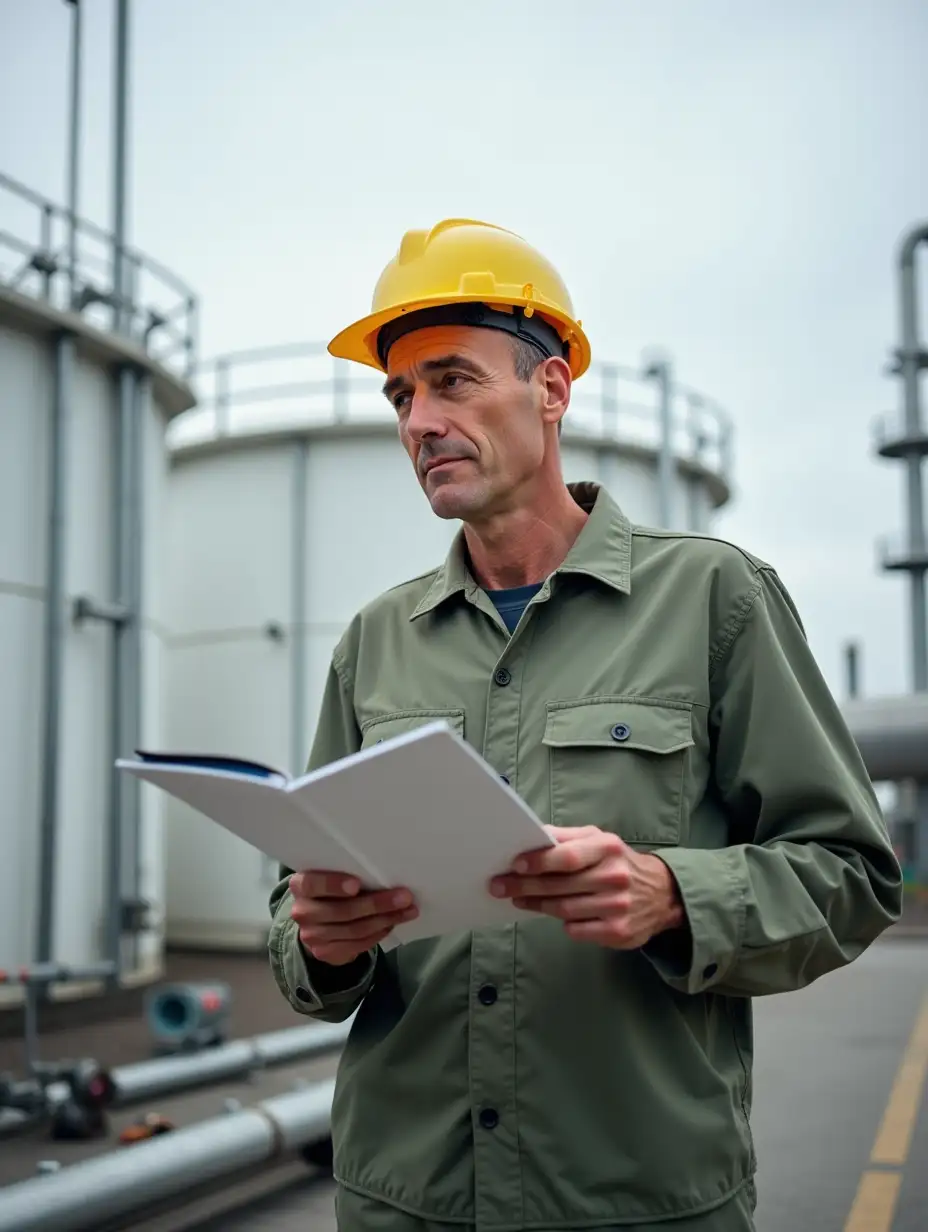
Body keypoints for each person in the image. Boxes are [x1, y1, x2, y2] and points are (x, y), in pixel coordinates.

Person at [268, 219, 902, 1232]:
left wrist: (673, 892)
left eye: (451, 380)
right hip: (405, 1200)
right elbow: (294, 915)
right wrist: (321, 940)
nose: (419, 420)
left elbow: (852, 873)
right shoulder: (374, 640)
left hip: (634, 1201)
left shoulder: (713, 598)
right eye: (400, 395)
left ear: (552, 388)